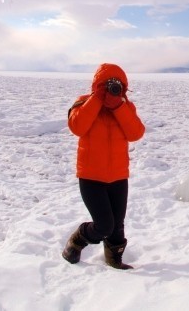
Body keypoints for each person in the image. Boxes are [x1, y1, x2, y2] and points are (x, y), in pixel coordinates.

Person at [61, 63, 145, 269]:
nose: (112, 89)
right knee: (104, 225)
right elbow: (77, 127)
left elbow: (136, 133)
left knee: (117, 225)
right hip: (91, 177)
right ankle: (78, 239)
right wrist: (97, 99)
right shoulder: (83, 102)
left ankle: (114, 260)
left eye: (117, 85)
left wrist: (117, 106)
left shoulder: (126, 107)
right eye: (106, 85)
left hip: (118, 177)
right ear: (97, 85)